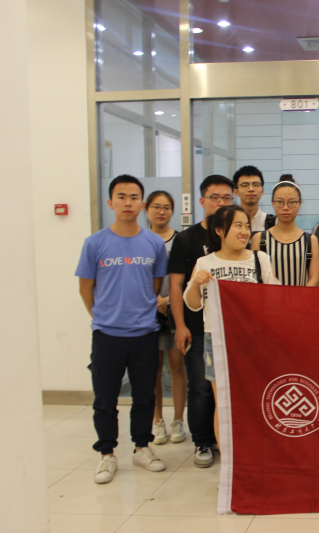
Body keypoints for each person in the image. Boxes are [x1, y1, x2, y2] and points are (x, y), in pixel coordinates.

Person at [75, 175, 169, 484]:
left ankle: (142, 447)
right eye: (121, 197)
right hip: (107, 335)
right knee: (105, 399)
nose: (127, 202)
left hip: (144, 334)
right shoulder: (94, 243)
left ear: (142, 204)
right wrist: (103, 315)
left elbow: (154, 285)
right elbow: (86, 288)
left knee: (144, 396)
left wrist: (137, 312)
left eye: (133, 197)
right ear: (110, 202)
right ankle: (107, 454)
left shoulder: (154, 243)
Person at [184, 205, 279, 449]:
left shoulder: (260, 259)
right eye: (238, 225)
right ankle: (229, 461)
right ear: (219, 230)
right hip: (217, 340)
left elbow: (275, 298)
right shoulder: (204, 262)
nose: (244, 231)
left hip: (252, 341)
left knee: (254, 401)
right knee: (223, 403)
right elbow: (193, 305)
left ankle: (253, 454)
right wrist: (195, 284)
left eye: (247, 225)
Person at [168, 174, 235, 468]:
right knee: (200, 387)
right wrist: (180, 326)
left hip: (232, 330)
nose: (220, 203)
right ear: (202, 201)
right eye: (214, 198)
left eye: (226, 198)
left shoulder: (237, 235)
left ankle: (225, 439)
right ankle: (202, 441)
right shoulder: (186, 239)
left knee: (227, 389)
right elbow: (176, 286)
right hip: (198, 328)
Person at [144, 191, 187, 446]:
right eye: (156, 207)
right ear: (146, 209)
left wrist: (168, 301)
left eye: (167, 207)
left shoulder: (180, 240)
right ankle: (157, 420)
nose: (161, 212)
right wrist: (153, 302)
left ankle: (178, 420)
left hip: (175, 310)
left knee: (177, 366)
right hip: (147, 313)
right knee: (153, 369)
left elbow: (186, 277)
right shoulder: (140, 240)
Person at [251, 175, 319, 286]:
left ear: (299, 204)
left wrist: (300, 296)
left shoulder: (310, 240)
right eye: (280, 202)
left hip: (302, 296)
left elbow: (314, 278)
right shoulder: (259, 239)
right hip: (269, 297)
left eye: (291, 202)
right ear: (273, 203)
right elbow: (255, 277)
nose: (285, 207)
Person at [233, 165, 268, 232]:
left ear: (262, 191)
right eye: (245, 185)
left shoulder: (272, 223)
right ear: (236, 192)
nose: (251, 189)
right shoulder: (229, 222)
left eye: (256, 185)